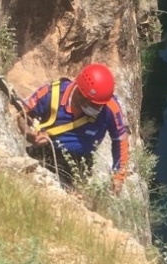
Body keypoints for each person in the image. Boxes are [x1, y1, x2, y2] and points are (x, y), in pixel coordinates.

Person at [17, 62, 129, 192]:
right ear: (81, 95)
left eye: (100, 106)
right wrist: (30, 135)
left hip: (79, 165)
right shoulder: (52, 94)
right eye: (95, 106)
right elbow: (22, 114)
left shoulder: (109, 107)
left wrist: (119, 175)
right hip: (45, 153)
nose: (98, 109)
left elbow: (120, 139)